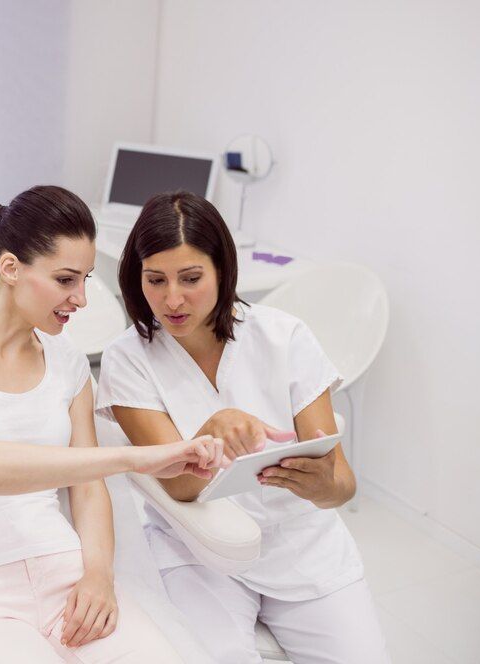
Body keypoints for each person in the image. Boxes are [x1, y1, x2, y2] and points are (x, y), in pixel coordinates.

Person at [0, 185, 226, 663]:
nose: (82, 298)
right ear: (10, 268)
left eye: (86, 279)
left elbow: (87, 489)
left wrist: (98, 576)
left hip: (63, 572)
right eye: (67, 279)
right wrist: (136, 459)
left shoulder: (68, 364)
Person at [96, 191, 390, 663]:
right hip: (201, 550)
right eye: (155, 280)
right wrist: (206, 436)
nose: (172, 299)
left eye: (191, 278)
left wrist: (320, 486)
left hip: (302, 547)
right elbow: (180, 491)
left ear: (222, 270)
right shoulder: (127, 359)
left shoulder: (284, 337)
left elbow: (343, 487)